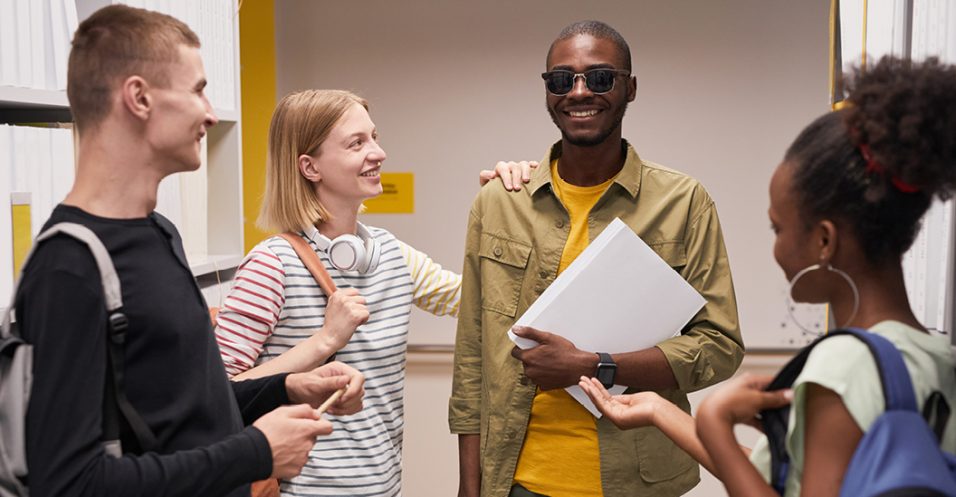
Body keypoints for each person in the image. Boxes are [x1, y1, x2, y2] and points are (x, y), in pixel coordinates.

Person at [14, 6, 365, 496]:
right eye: (198, 89)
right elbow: (70, 482)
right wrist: (256, 451)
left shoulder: (158, 234)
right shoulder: (68, 267)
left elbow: (186, 415)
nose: (211, 113)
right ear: (138, 97)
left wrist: (285, 388)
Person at [580, 56, 956, 497]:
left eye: (779, 228)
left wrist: (717, 423)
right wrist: (658, 411)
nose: (775, 246)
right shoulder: (935, 353)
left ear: (824, 241)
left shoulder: (843, 367)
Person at [450, 20, 744, 497]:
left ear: (630, 88)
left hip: (639, 481)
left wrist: (597, 365)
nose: (579, 92)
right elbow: (472, 358)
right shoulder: (499, 203)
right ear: (548, 92)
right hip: (519, 479)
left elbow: (719, 346)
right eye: (562, 80)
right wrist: (470, 486)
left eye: (600, 77)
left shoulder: (684, 201)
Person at [213, 89, 534, 496]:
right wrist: (325, 340)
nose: (378, 153)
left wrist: (507, 209)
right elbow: (219, 395)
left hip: (383, 488)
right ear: (310, 167)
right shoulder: (270, 265)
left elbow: (482, 300)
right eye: (356, 143)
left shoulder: (391, 254)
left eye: (375, 137)